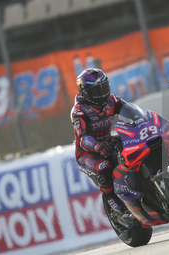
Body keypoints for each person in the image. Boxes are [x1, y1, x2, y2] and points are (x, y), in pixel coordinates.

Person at [70, 68, 126, 213]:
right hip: (87, 153)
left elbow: (130, 110)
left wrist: (142, 120)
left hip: (107, 141)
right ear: (86, 92)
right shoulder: (79, 111)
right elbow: (83, 138)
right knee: (105, 168)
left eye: (104, 87)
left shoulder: (112, 100)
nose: (102, 93)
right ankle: (111, 199)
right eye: (96, 90)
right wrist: (97, 147)